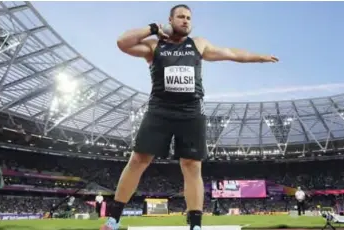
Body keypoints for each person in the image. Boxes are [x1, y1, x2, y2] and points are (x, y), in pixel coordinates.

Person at [101, 4, 278, 230]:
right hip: (159, 110)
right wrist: (153, 28)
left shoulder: (198, 44)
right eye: (181, 17)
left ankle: (195, 224)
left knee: (192, 166)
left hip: (191, 111)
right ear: (170, 20)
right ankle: (114, 218)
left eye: (188, 18)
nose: (185, 21)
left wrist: (259, 57)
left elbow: (232, 53)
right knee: (138, 160)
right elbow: (122, 42)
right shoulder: (155, 46)